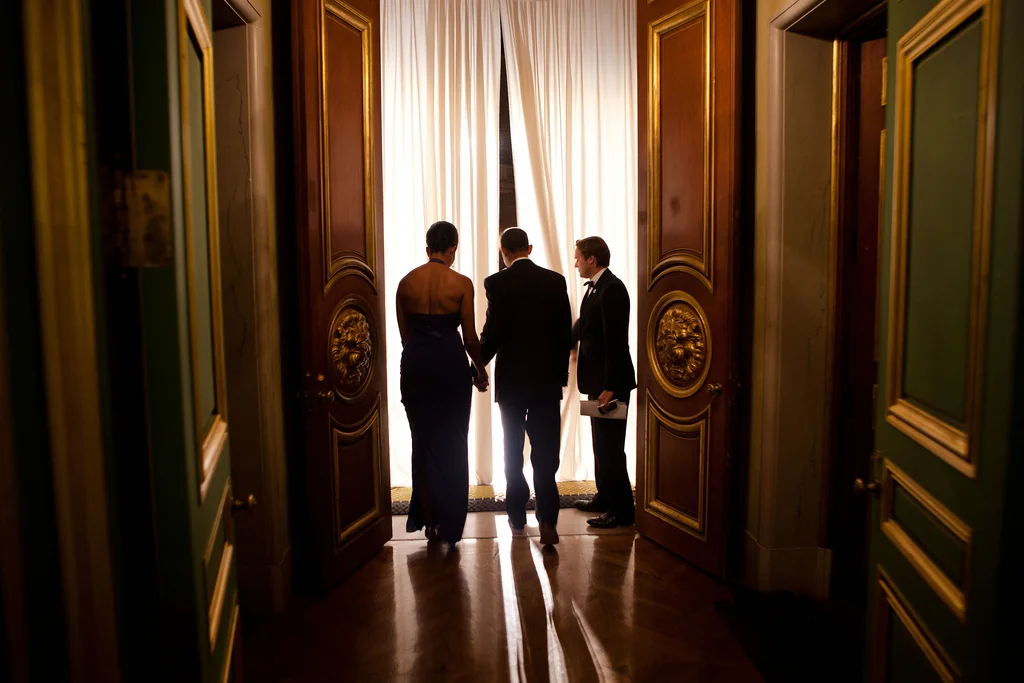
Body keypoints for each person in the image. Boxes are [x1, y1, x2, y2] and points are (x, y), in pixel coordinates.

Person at [396, 221, 488, 548]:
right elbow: (471, 338)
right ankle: (450, 523)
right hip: (450, 367)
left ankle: (429, 521)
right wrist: (479, 370)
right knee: (452, 443)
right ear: (453, 250)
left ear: (426, 249)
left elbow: (405, 336)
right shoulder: (461, 283)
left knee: (421, 443)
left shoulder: (406, 283)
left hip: (417, 366)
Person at [479, 228, 572, 546]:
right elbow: (563, 334)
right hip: (546, 380)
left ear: (502, 250)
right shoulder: (555, 281)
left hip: (513, 381)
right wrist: (560, 376)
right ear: (529, 248)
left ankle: (517, 516)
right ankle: (548, 520)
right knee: (546, 454)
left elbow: (493, 332)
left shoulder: (497, 283)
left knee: (512, 448)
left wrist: (478, 366)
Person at [571, 236, 636, 528]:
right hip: (598, 382)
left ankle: (621, 510)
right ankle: (605, 496)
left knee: (611, 448)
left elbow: (616, 342)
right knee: (601, 444)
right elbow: (583, 325)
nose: (576, 263)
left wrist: (611, 385)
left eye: (578, 258)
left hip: (611, 384)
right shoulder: (596, 288)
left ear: (591, 259)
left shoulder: (613, 289)